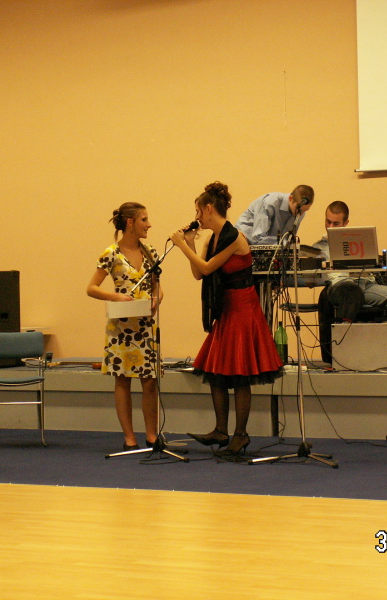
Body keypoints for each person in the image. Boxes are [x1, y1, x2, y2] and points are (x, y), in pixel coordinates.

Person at [169, 182, 283, 455]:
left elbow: (208, 267)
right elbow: (199, 273)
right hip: (226, 309)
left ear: (209, 209)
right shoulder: (211, 239)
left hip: (243, 309)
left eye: (198, 211)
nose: (197, 217)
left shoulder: (235, 237)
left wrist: (181, 246)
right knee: (217, 372)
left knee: (240, 374)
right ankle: (221, 430)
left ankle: (240, 435)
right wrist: (190, 244)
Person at [87, 202, 163, 451]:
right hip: (121, 327)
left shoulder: (150, 252)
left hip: (145, 325)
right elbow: (91, 288)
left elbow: (157, 286)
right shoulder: (111, 253)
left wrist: (157, 298)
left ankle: (151, 435)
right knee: (122, 380)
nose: (149, 224)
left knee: (149, 380)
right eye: (144, 219)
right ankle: (129, 437)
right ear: (130, 223)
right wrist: (115, 296)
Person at [313, 201, 387, 324]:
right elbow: (312, 277)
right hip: (340, 286)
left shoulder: (357, 240)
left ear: (346, 223)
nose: (331, 227)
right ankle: (344, 331)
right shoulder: (318, 248)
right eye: (328, 222)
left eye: (336, 223)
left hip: (365, 284)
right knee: (351, 291)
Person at [234, 185, 315, 245]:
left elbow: (288, 239)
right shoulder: (270, 202)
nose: (300, 214)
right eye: (298, 210)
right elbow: (258, 238)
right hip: (243, 241)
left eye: (304, 211)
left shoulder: (300, 211)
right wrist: (284, 244)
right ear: (290, 198)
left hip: (268, 245)